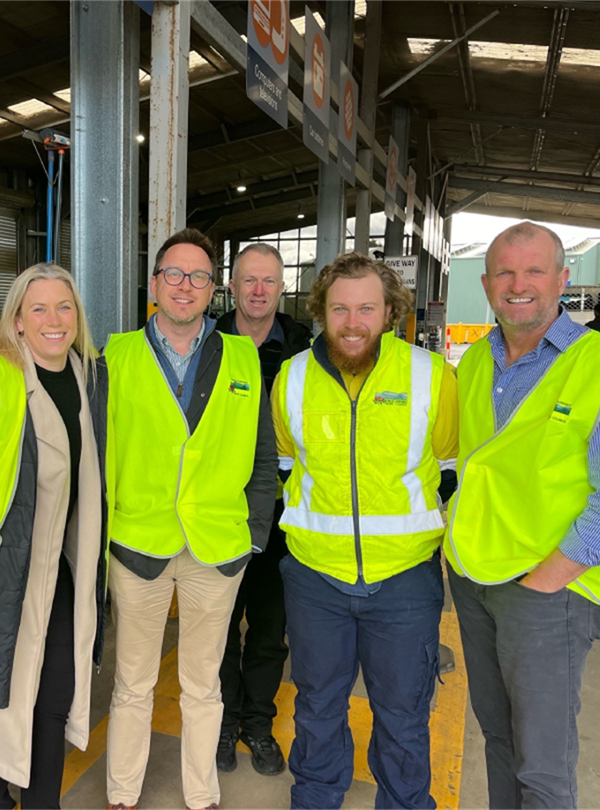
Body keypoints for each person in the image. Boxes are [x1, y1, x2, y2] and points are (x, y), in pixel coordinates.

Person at [446, 221, 600, 809]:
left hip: (551, 588)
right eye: (506, 273)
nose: (519, 285)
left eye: (534, 270)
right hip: (476, 579)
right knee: (498, 740)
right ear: (487, 284)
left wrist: (544, 584)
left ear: (562, 279)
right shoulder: (473, 366)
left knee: (542, 767)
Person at [273, 253, 458, 810]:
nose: (352, 323)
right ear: (321, 312)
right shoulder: (293, 377)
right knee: (317, 705)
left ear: (389, 312)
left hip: (404, 581)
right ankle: (315, 798)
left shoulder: (432, 376)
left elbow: (450, 468)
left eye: (366, 309)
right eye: (340, 309)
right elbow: (285, 466)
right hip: (314, 577)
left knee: (404, 714)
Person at [104, 228, 277, 810]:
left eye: (198, 276)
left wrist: (253, 536)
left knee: (203, 686)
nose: (185, 286)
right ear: (154, 284)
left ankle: (200, 794)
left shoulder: (243, 358)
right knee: (134, 683)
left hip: (217, 547)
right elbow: (100, 451)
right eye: (173, 275)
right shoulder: (116, 356)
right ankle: (122, 792)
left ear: (213, 290)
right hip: (138, 542)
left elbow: (261, 455)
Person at [0, 263, 108, 810]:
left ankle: (40, 804)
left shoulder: (87, 376)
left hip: (61, 568)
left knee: (53, 693)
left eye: (65, 308)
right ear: (17, 318)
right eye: (39, 308)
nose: (54, 320)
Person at [214, 244, 311, 777]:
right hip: (222, 511)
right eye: (248, 280)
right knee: (221, 627)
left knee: (271, 630)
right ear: (231, 285)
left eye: (268, 281)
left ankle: (258, 722)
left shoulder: (304, 348)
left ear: (281, 288)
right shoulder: (207, 342)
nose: (258, 291)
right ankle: (225, 722)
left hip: (280, 515)